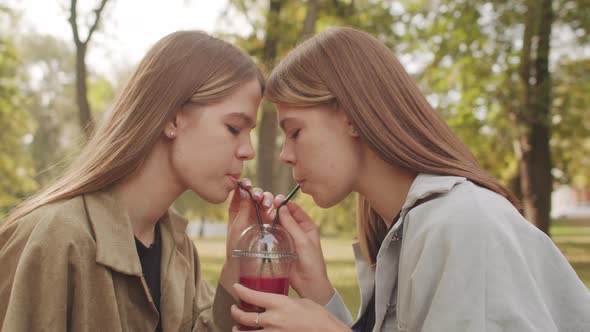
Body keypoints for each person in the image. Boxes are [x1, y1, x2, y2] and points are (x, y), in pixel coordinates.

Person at [229, 27, 590, 332]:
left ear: (352, 117)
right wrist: (320, 294)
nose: (285, 154)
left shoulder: (462, 224)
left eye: (295, 132)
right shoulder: (408, 229)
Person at [0, 30, 275, 332]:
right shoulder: (54, 238)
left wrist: (238, 256)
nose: (248, 150)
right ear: (172, 119)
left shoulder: (177, 246)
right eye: (234, 128)